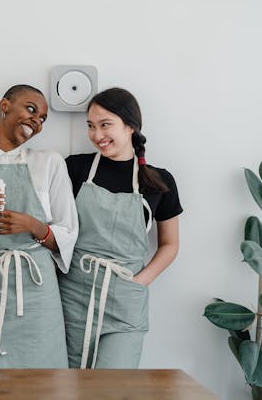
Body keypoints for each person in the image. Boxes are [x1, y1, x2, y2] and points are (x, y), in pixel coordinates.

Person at [0, 84, 78, 368]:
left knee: (42, 386)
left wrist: (35, 226)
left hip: (37, 295)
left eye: (43, 118)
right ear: (4, 106)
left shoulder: (50, 163)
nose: (36, 121)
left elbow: (68, 234)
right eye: (31, 110)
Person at [59, 87, 182, 369]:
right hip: (72, 296)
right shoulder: (74, 168)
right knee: (65, 387)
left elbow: (170, 244)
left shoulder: (159, 182)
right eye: (90, 126)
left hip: (125, 300)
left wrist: (140, 282)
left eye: (105, 125)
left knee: (113, 389)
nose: (96, 135)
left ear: (131, 126)